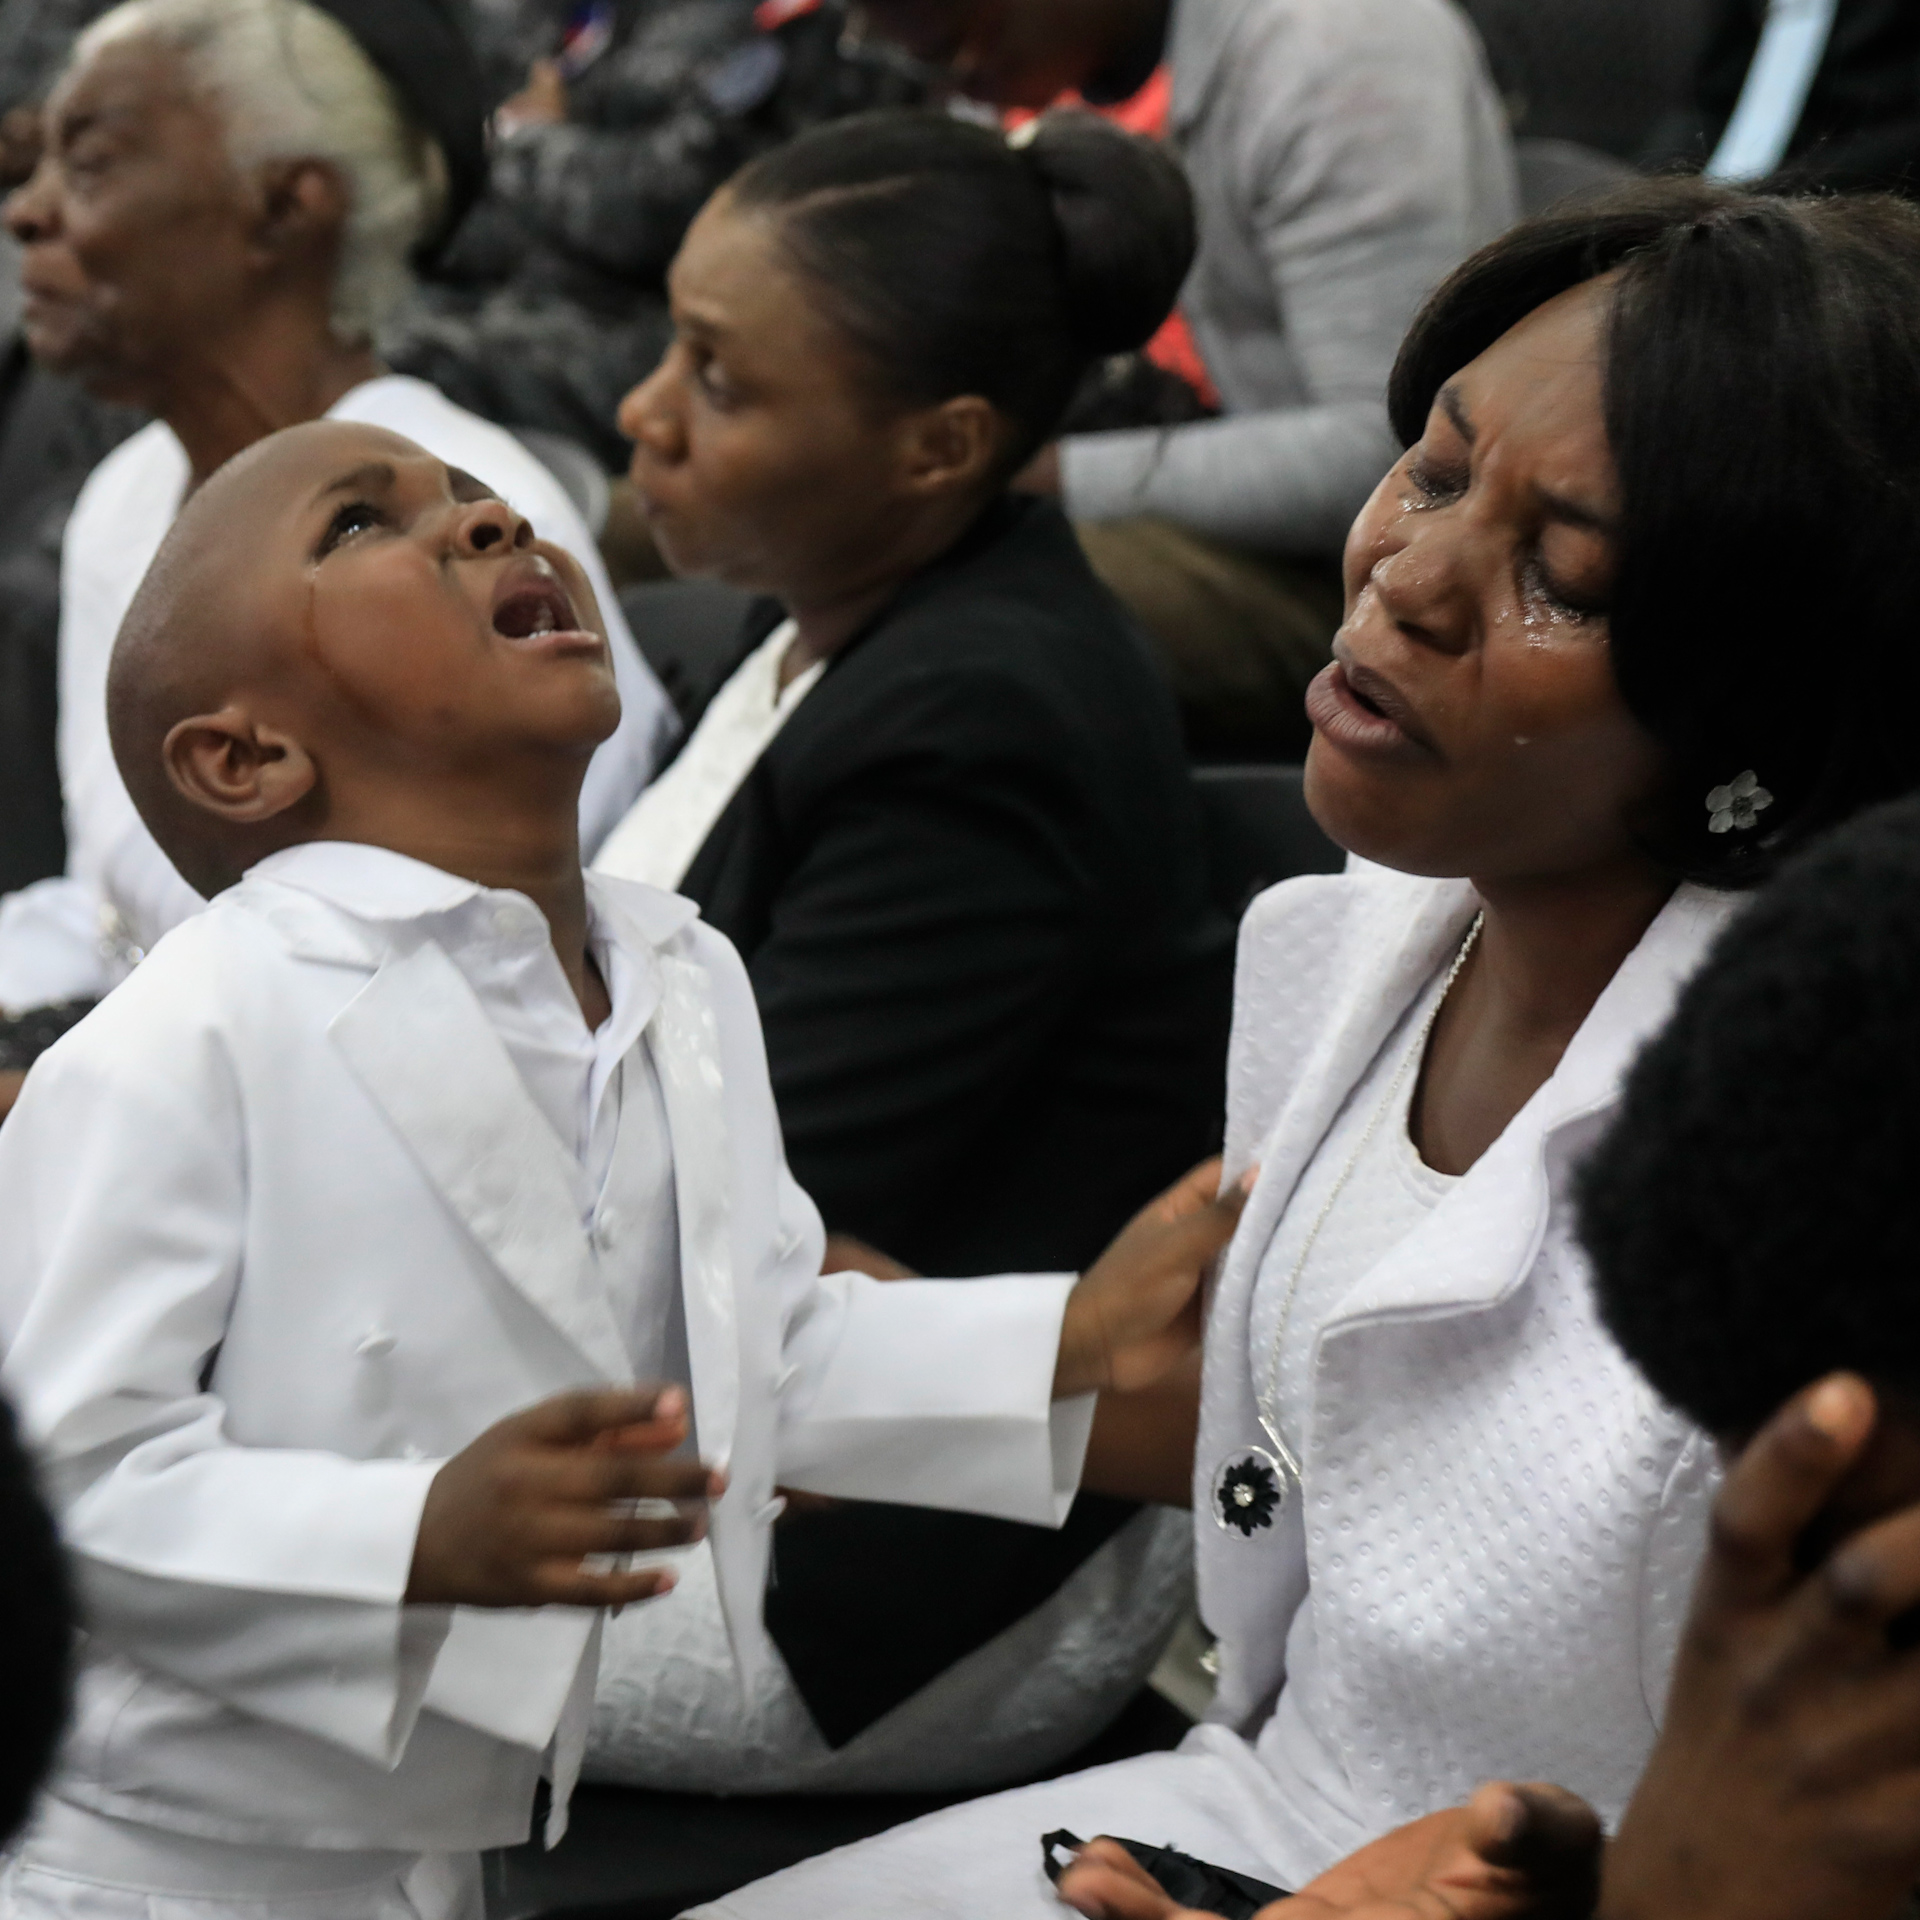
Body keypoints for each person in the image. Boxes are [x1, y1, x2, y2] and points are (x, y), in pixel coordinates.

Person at [689, 176, 1920, 1918]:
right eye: (1430, 465)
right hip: (1245, 1816)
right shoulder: (1358, 938)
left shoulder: (1830, 1165)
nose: (1404, 577)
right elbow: (1289, 1447)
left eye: (1558, 577)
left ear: (1765, 718)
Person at [0, 415, 1242, 1918]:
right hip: (148, 1870)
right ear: (246, 755)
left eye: (473, 494)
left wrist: (1071, 1337)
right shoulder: (185, 1030)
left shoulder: (677, 971)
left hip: (438, 1854)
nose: (480, 521)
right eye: (359, 525)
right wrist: (410, 1537)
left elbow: (755, 1349)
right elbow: (63, 1488)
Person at [583, 107, 1231, 1792]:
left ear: (937, 449)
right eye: (672, 342)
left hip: (866, 1572)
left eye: (720, 381)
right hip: (726, 1418)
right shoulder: (830, 618)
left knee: (148, 1562)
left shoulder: (983, 715)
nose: (642, 411)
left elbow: (702, 1226)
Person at [0, 0, 677, 1106]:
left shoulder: (468, 511)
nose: (27, 214)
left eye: (92, 161)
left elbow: (513, 962)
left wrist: (77, 1091)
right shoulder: (127, 501)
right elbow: (109, 912)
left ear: (285, 203)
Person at [854, 0, 1518, 758]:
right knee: (799, 496)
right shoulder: (1055, 66)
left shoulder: (1337, 52)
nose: (905, 47)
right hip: (1214, 478)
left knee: (964, 588)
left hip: (1372, 580)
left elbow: (1394, 457)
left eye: (938, 31)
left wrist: (1035, 475)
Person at [389, 0, 930, 474]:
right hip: (544, 281)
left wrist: (527, 142)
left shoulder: (800, 25)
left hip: (679, 331)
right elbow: (469, 123)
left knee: (398, 359)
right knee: (349, 315)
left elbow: (674, 208)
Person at [1645, 0, 1920, 197]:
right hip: (1735, 188)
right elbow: (1710, 97)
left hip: (1857, 189)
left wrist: (1766, 193)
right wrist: (1657, 185)